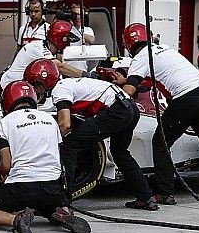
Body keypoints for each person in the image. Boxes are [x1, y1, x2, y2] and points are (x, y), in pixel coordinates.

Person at [112, 24, 199, 210]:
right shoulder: (165, 49)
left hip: (187, 98)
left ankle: (165, 193)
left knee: (160, 142)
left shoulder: (140, 58)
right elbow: (157, 77)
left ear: (128, 44)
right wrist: (128, 80)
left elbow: (130, 91)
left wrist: (111, 96)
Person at [0, 80, 90, 233]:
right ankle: (61, 212)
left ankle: (15, 219)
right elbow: (59, 155)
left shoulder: (6, 123)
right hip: (53, 188)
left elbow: (6, 165)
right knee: (47, 201)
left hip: (22, 188)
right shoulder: (50, 120)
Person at [48, 68, 159, 210]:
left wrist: (50, 146)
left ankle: (62, 203)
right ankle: (145, 197)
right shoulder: (71, 83)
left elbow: (65, 125)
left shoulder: (59, 90)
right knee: (120, 152)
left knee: (70, 146)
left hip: (116, 111)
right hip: (130, 107)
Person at [1, 19, 85, 89]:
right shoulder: (39, 48)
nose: (68, 44)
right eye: (67, 41)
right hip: (11, 86)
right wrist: (86, 74)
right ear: (60, 39)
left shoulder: (42, 46)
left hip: (19, 85)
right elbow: (60, 67)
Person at [66, 0, 96, 72]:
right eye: (75, 14)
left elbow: (91, 40)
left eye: (80, 14)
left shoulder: (88, 30)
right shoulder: (66, 29)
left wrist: (77, 32)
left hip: (83, 69)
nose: (77, 17)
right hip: (67, 68)